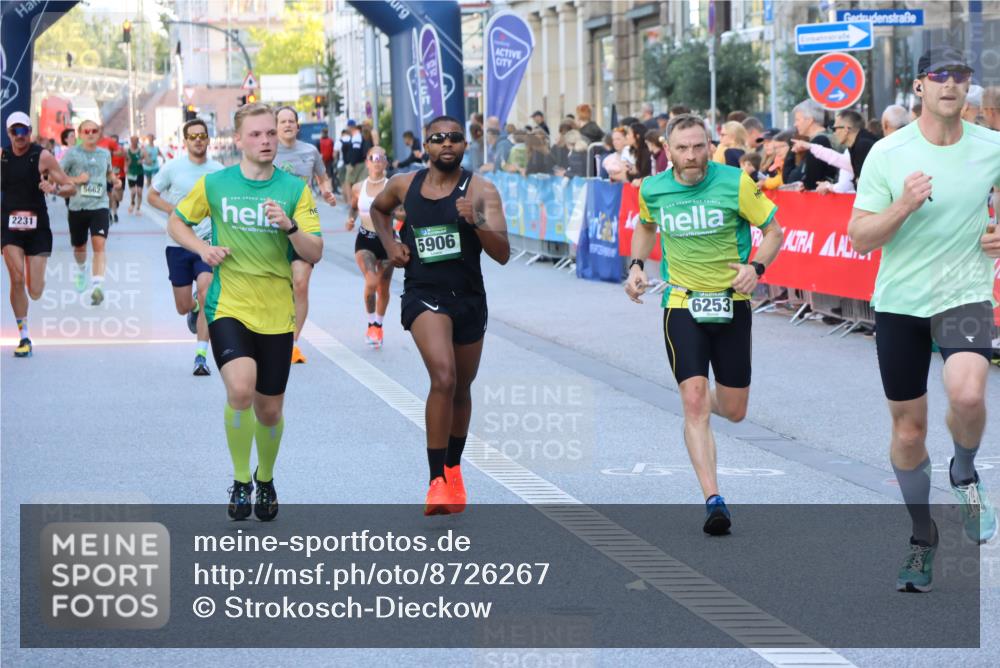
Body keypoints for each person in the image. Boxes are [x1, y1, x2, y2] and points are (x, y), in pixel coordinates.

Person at [848, 47, 1000, 592]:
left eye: (961, 76)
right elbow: (860, 236)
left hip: (963, 296)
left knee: (967, 397)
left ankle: (965, 469)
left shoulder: (992, 148)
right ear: (919, 87)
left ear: (968, 87)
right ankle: (922, 537)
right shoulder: (889, 153)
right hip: (900, 304)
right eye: (940, 77)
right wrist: (904, 207)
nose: (951, 86)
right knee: (909, 431)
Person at [625, 113, 784, 535]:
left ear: (709, 144)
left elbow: (773, 230)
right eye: (683, 148)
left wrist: (757, 266)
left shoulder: (735, 182)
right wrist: (637, 265)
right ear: (667, 148)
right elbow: (645, 226)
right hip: (682, 304)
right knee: (693, 401)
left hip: (732, 304)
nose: (692, 156)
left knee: (733, 410)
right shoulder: (653, 188)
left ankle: (705, 398)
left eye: (699, 147)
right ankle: (714, 499)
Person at [168, 102, 323, 521]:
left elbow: (316, 250)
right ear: (238, 141)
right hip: (228, 304)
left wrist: (289, 227)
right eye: (256, 134)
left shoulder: (293, 190)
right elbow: (177, 222)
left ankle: (266, 478)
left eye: (271, 133)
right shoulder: (217, 184)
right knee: (240, 390)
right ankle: (240, 481)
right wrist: (202, 249)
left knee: (269, 409)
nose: (266, 140)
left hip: (276, 310)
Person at [368, 116, 510, 516]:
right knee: (443, 377)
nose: (446, 143)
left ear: (465, 145)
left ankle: (453, 469)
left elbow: (502, 253)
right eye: (437, 138)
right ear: (425, 147)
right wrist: (391, 244)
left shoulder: (481, 190)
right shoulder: (403, 185)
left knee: (462, 387)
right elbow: (378, 212)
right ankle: (435, 482)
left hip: (468, 297)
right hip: (423, 294)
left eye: (454, 138)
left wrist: (476, 219)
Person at [2, 111, 85, 357]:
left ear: (29, 131)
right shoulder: (3, 157)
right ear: (8, 133)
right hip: (9, 228)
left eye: (23, 130)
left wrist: (55, 189)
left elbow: (71, 187)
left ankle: (36, 282)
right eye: (14, 131)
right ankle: (24, 336)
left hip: (37, 228)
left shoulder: (43, 156)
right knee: (16, 278)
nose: (19, 136)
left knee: (35, 290)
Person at [147, 118, 224, 376]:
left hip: (207, 244)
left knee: (206, 295)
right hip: (178, 245)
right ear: (186, 141)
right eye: (193, 136)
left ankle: (201, 357)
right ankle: (191, 309)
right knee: (183, 306)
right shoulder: (173, 168)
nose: (198, 140)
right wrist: (175, 212)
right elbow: (152, 195)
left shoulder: (219, 170)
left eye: (202, 135)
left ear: (208, 139)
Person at [274, 105, 337, 365]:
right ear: (276, 126)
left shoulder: (310, 151)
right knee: (278, 286)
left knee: (300, 283)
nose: (288, 125)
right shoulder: (267, 151)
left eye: (292, 121)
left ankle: (292, 344)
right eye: (283, 121)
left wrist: (327, 191)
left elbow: (323, 177)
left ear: (298, 126)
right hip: (273, 225)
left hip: (304, 222)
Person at [60, 119, 122, 305]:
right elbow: (58, 176)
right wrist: (77, 179)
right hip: (77, 207)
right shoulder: (71, 154)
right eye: (86, 131)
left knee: (99, 245)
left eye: (94, 130)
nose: (90, 134)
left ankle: (97, 286)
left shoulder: (104, 154)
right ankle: (81, 270)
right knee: (79, 247)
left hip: (100, 206)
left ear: (99, 133)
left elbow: (108, 173)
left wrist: (115, 180)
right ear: (80, 134)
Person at [347, 146, 396, 347]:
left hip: (387, 241)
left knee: (383, 287)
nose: (376, 160)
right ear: (367, 162)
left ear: (385, 162)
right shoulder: (358, 187)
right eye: (372, 157)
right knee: (372, 280)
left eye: (381, 157)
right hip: (365, 239)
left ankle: (378, 325)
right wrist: (351, 219)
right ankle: (369, 323)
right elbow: (353, 206)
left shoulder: (393, 186)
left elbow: (402, 211)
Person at [787, 100, 839, 190]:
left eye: (797, 120)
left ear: (810, 120)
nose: (795, 124)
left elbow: (811, 182)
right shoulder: (827, 138)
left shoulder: (819, 141)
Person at [96, 128, 125, 223]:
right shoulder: (91, 142)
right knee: (107, 195)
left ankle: (113, 212)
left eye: (99, 130)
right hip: (99, 174)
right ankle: (110, 213)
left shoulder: (109, 141)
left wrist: (110, 152)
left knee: (115, 197)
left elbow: (121, 152)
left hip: (112, 172)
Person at [341, 120, 366, 204]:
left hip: (356, 164)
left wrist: (352, 164)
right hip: (358, 163)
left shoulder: (356, 136)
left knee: (348, 182)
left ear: (350, 127)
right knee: (355, 183)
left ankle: (350, 202)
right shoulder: (356, 136)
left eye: (347, 126)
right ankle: (354, 202)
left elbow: (356, 151)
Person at [625, 122, 652, 186]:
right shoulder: (636, 151)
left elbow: (644, 175)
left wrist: (630, 173)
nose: (626, 136)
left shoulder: (647, 153)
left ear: (637, 136)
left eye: (628, 134)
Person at [125, 136, 145, 215]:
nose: (134, 142)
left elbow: (147, 159)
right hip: (131, 173)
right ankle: (132, 203)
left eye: (136, 141)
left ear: (138, 141)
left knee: (139, 192)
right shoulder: (127, 151)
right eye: (132, 141)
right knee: (133, 191)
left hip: (140, 172)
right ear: (130, 141)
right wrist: (127, 166)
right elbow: (125, 162)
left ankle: (138, 208)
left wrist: (142, 161)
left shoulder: (141, 151)